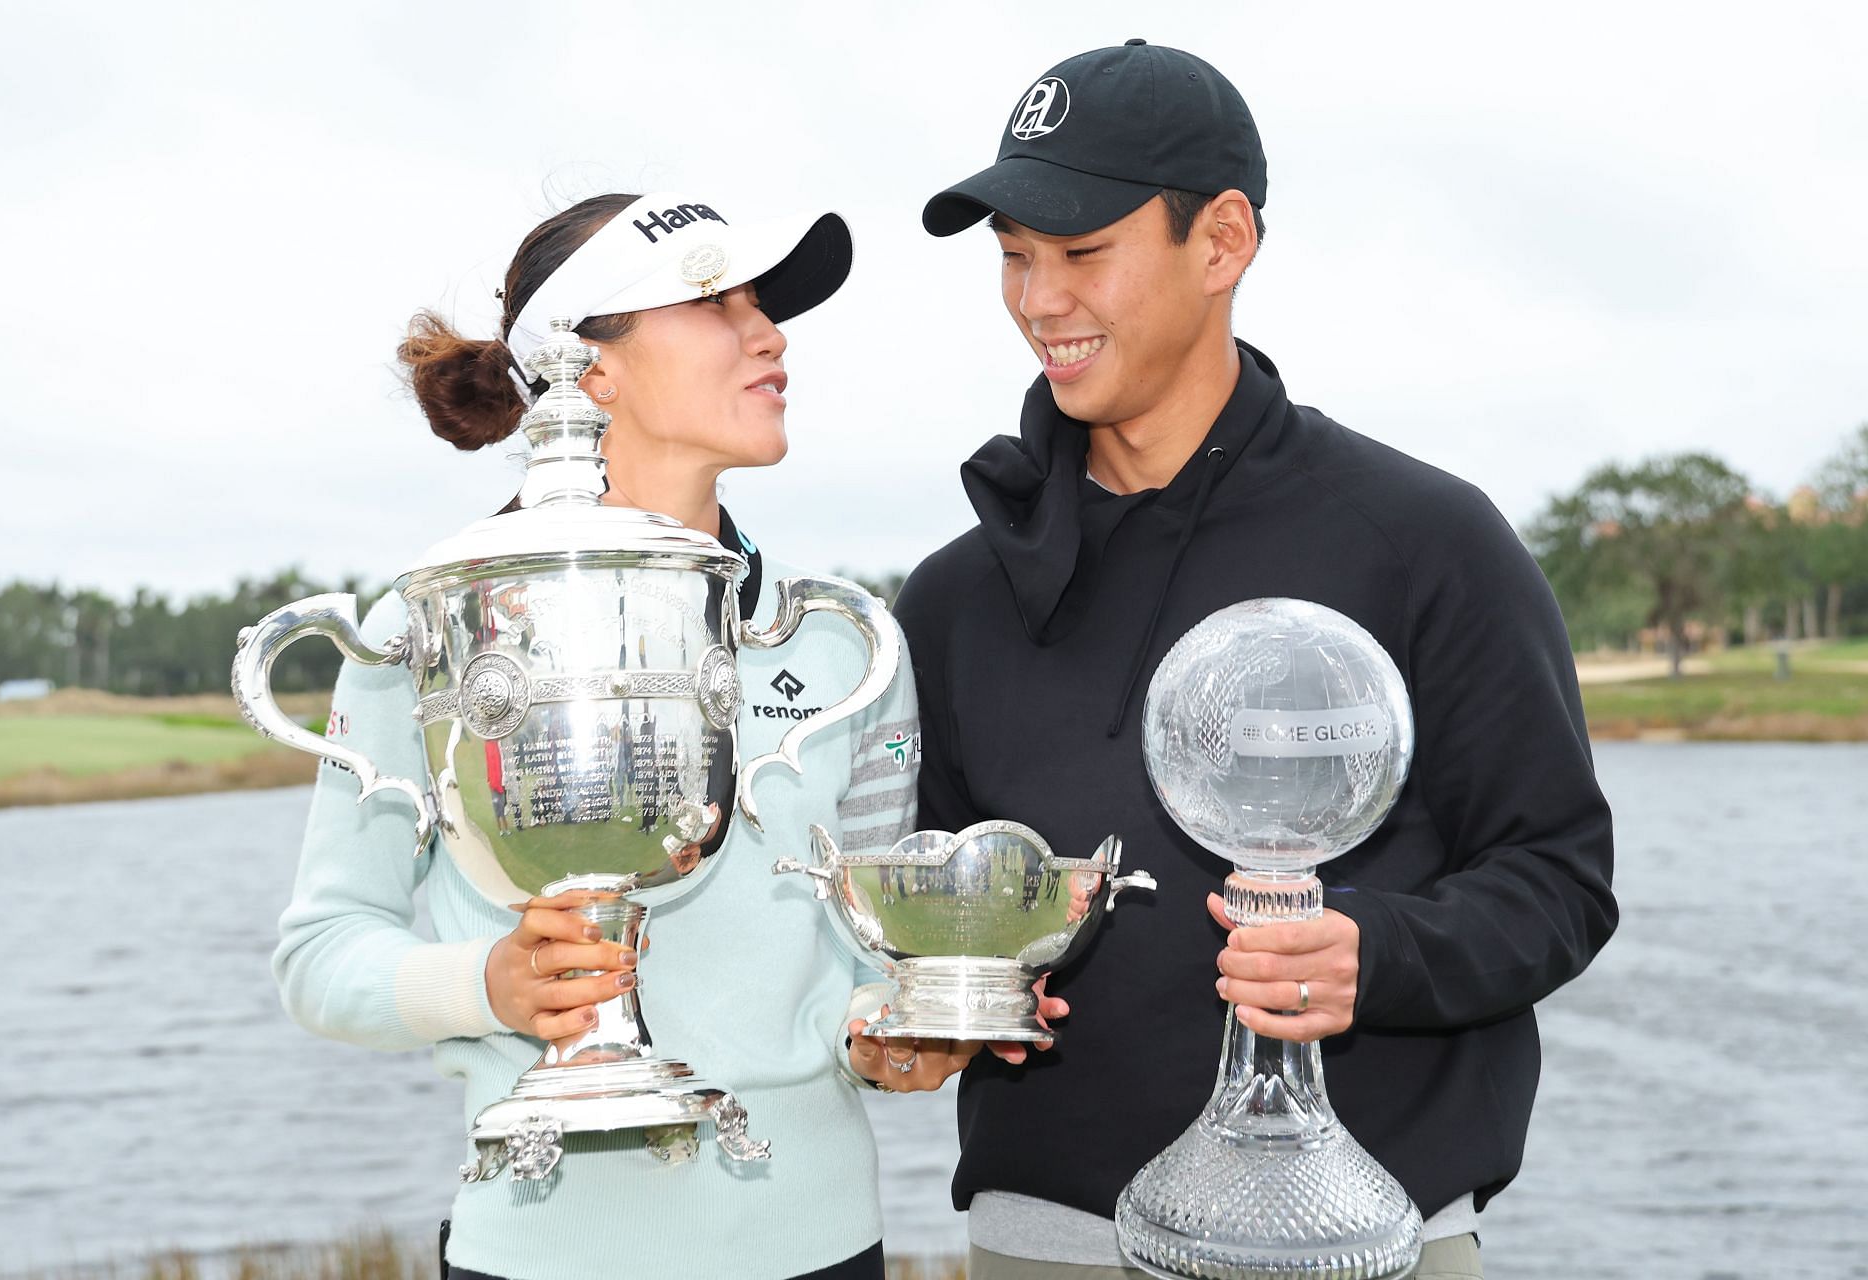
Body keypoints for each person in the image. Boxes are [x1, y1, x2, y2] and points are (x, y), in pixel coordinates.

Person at [851, 40, 1618, 1280]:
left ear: (1221, 242)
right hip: (1046, 1242)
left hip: (1366, 1240)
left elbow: (1560, 879)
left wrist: (1376, 954)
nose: (1038, 297)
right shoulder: (954, 595)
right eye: (1012, 255)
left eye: (1080, 250)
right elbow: (931, 907)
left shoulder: (1427, 539)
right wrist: (926, 1014)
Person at [273, 190, 919, 1280]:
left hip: (825, 1248)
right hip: (539, 1251)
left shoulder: (851, 642)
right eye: (717, 300)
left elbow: (867, 958)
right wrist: (491, 984)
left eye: (763, 303)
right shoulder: (428, 629)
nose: (770, 333)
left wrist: (894, 1026)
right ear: (589, 363)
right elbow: (321, 952)